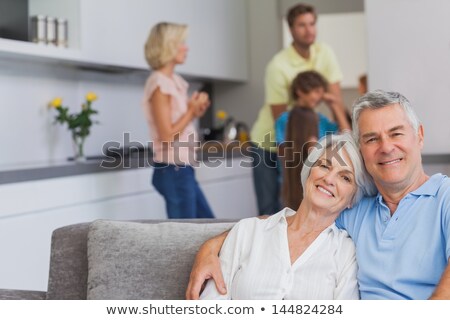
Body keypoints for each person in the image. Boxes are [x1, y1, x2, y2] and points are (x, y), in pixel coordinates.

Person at [186, 90, 450, 300]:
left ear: (420, 136)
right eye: (372, 139)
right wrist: (209, 248)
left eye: (396, 134)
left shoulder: (445, 197)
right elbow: (287, 223)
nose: (386, 147)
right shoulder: (357, 210)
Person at [200, 133, 375, 299]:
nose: (329, 179)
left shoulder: (346, 252)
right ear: (309, 171)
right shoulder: (247, 231)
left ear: (353, 198)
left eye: (345, 178)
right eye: (324, 166)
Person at [249, 3, 346, 216]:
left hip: (302, 140)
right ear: (291, 29)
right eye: (302, 25)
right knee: (270, 207)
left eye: (312, 24)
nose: (309, 30)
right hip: (268, 142)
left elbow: (335, 100)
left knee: (298, 205)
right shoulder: (278, 66)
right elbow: (281, 119)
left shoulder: (325, 53)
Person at [142, 22, 215, 219]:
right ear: (168, 45)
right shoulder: (159, 84)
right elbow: (167, 136)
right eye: (181, 42)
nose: (186, 47)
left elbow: (178, 125)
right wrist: (191, 112)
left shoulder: (173, 82)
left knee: (206, 226)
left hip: (182, 169)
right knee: (186, 237)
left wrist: (195, 111)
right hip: (173, 170)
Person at [277, 71, 351, 209]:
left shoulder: (320, 119)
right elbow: (283, 152)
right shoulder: (285, 119)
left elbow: (347, 135)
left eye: (322, 93)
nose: (320, 97)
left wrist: (334, 104)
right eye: (316, 92)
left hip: (316, 181)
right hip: (296, 183)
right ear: (300, 91)